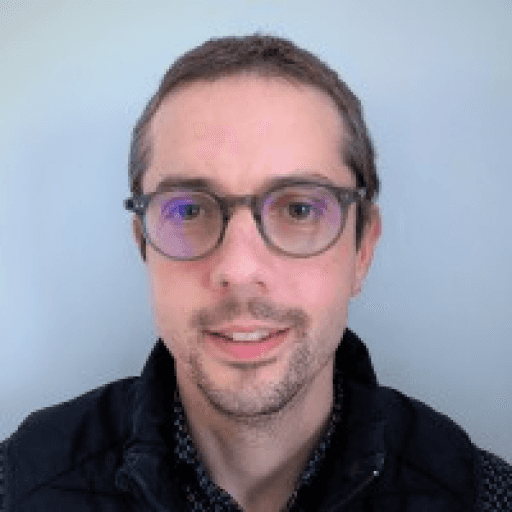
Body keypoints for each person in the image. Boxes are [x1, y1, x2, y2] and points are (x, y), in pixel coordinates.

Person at [1, 34, 511, 512]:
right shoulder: (18, 488)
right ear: (143, 245)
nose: (239, 270)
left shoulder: (482, 498)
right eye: (188, 210)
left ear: (362, 250)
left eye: (299, 210)